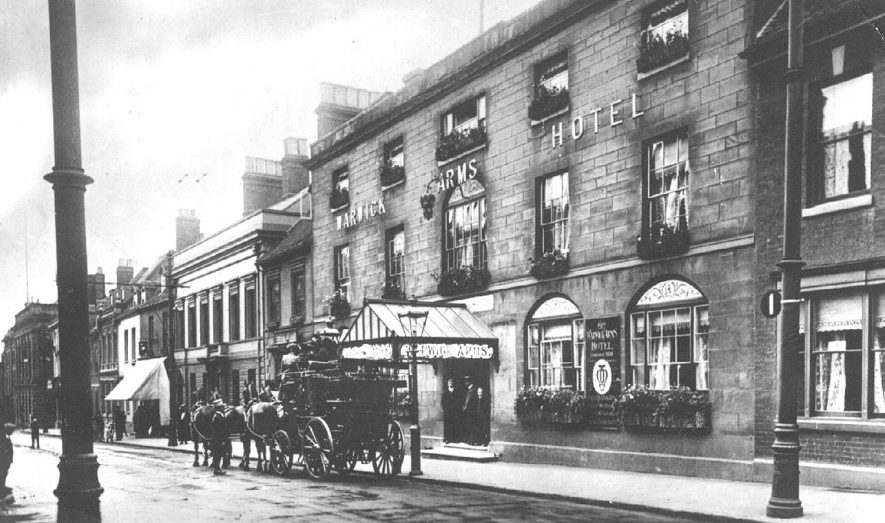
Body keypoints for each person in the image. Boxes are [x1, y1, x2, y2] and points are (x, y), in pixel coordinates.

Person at [442, 378, 462, 444]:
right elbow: (443, 402)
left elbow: (459, 401)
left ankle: (455, 438)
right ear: (447, 384)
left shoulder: (456, 391)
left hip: (455, 412)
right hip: (448, 412)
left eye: (451, 383)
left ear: (453, 384)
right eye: (449, 383)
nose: (450, 384)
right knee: (448, 425)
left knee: (455, 424)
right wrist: (445, 409)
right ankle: (448, 438)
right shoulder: (445, 392)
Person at [462, 376, 479, 446]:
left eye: (467, 381)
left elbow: (471, 401)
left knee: (472, 426)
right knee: (469, 425)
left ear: (469, 382)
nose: (466, 383)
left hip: (472, 412)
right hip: (468, 412)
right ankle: (470, 440)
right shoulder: (469, 390)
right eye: (466, 381)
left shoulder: (473, 390)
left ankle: (473, 440)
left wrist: (466, 407)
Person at [0, 423, 14, 498]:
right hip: (3, 459)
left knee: (4, 473)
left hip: (6, 459)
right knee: (2, 473)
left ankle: (2, 487)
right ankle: (1, 489)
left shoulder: (5, 436)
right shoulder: (3, 436)